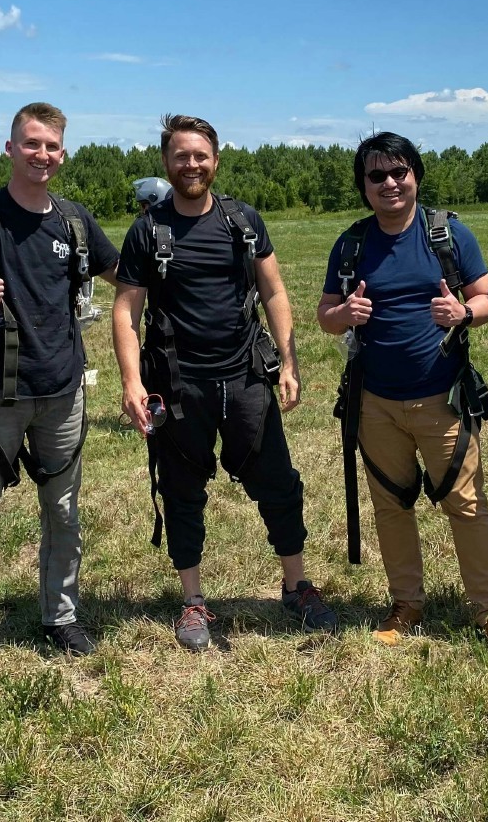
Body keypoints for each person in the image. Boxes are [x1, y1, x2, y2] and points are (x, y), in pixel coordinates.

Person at [112, 114, 337, 651]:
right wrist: (130, 382)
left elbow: (275, 291)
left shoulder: (243, 220)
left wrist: (288, 360)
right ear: (166, 163)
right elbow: (125, 310)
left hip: (245, 378)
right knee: (182, 492)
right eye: (181, 156)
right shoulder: (149, 230)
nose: (192, 164)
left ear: (215, 159)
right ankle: (192, 601)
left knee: (279, 484)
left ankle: (295, 584)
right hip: (178, 384)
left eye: (201, 155)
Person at [0, 102, 120, 687]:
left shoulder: (74, 222)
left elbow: (127, 276)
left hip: (62, 389)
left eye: (51, 146)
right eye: (31, 143)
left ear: (63, 154)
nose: (42, 155)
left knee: (64, 513)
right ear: (10, 147)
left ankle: (60, 617)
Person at [317, 133, 488, 658]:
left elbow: (486, 298)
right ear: (363, 186)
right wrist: (345, 316)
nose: (389, 183)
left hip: (442, 397)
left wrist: (464, 313)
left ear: (415, 176)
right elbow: (325, 315)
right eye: (376, 176)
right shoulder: (352, 244)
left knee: (468, 504)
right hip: (374, 402)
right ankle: (406, 603)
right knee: (390, 505)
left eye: (399, 172)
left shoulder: (448, 234)